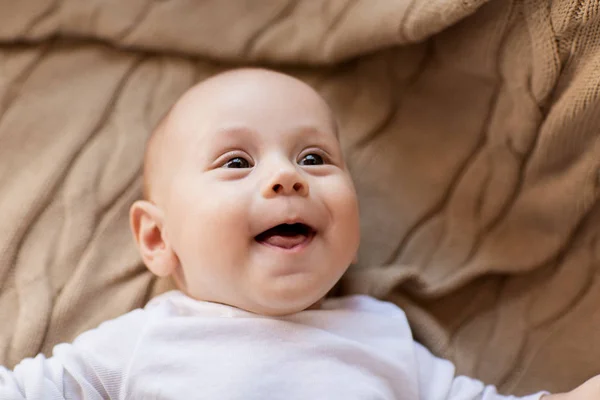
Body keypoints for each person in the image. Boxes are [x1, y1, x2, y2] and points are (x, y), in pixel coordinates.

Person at [0, 68, 597, 399]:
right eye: (236, 162)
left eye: (314, 158)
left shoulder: (382, 335)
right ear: (157, 239)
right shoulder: (144, 342)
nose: (287, 176)